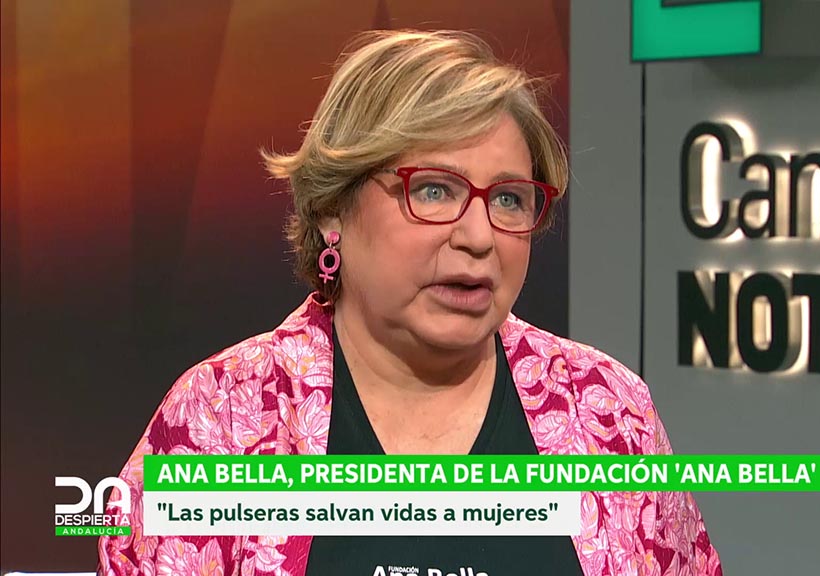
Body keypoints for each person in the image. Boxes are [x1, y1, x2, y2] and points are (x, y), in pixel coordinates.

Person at [98, 29, 721, 576]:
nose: (478, 237)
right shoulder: (222, 417)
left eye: (508, 198)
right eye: (433, 190)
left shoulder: (607, 410)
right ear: (333, 209)